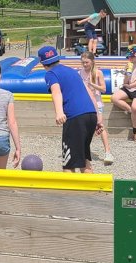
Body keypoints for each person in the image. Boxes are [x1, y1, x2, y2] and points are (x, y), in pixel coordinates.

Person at [38, 45, 101, 173]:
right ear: (57, 58)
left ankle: (72, 193)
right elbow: (89, 92)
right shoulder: (72, 71)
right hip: (90, 114)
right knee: (84, 159)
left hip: (75, 117)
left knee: (69, 163)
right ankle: (91, 191)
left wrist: (59, 112)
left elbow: (56, 91)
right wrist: (98, 117)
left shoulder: (51, 74)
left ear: (43, 63)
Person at [79, 51, 114, 165]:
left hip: (97, 103)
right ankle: (82, 151)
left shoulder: (98, 73)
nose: (84, 65)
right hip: (85, 103)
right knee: (83, 126)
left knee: (100, 125)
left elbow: (103, 89)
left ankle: (107, 152)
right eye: (83, 62)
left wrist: (92, 85)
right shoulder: (80, 73)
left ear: (92, 62)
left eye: (87, 62)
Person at [111, 45, 136, 142]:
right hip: (129, 88)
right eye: (129, 56)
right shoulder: (129, 64)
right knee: (114, 98)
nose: (130, 58)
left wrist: (131, 85)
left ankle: (135, 132)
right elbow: (125, 81)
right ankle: (131, 112)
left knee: (135, 107)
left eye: (132, 56)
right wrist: (127, 74)